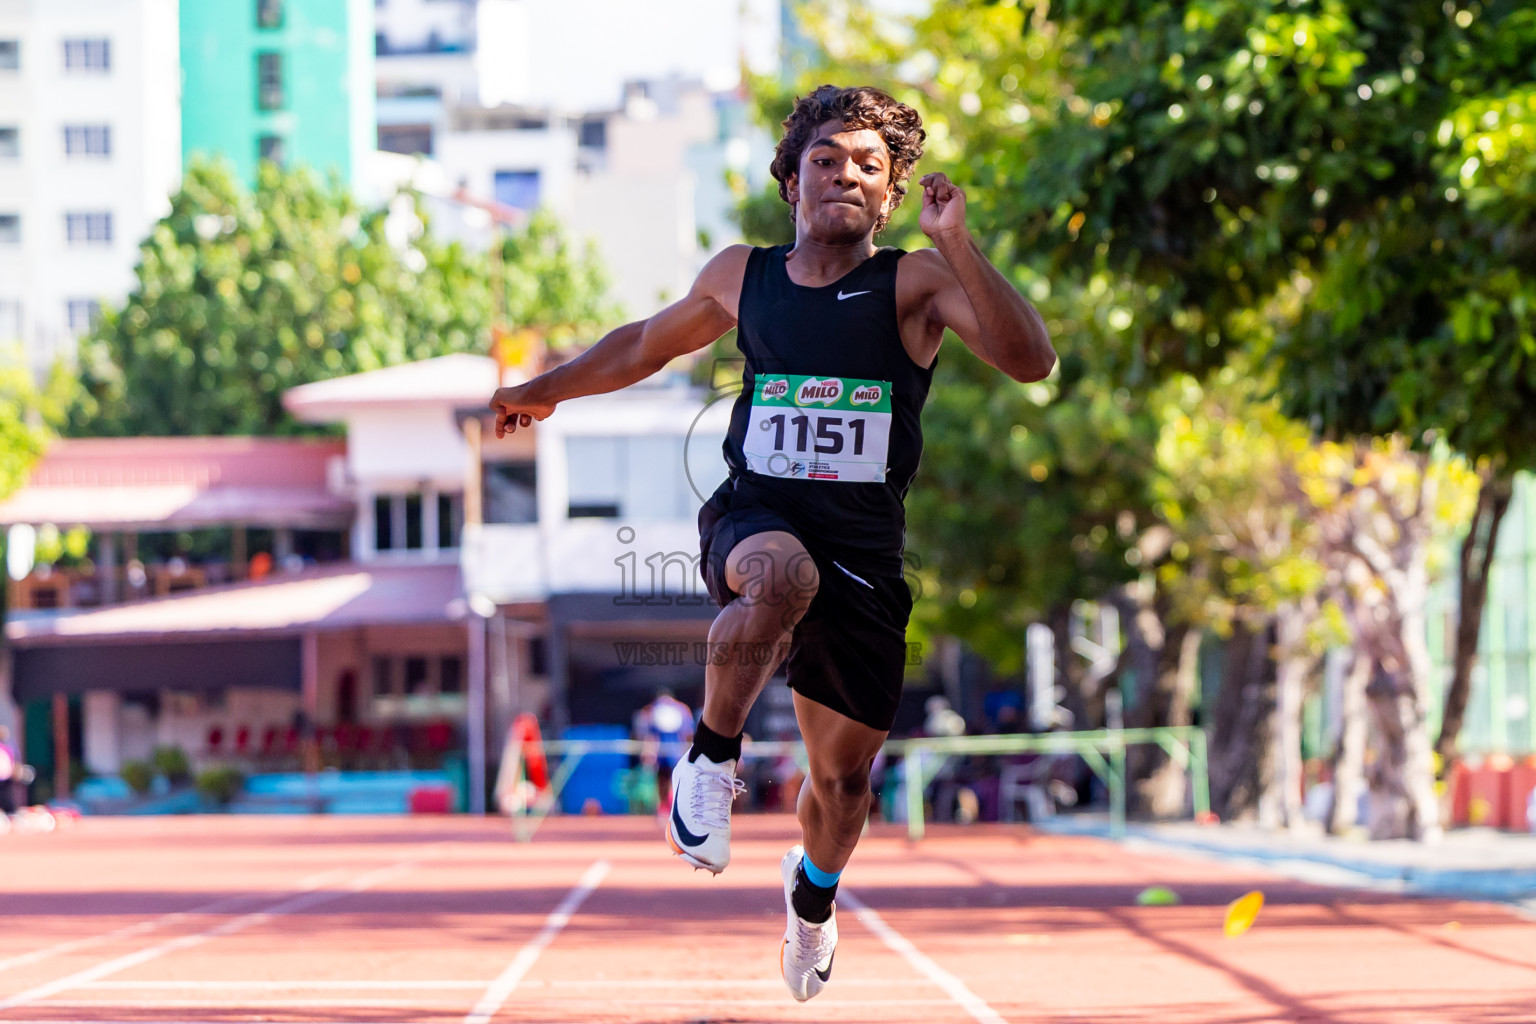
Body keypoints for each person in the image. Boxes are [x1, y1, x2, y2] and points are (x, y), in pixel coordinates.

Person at [490, 84, 1054, 1002]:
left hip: (864, 554)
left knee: (843, 785)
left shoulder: (913, 284)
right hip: (755, 514)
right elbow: (644, 345)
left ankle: (813, 896)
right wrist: (541, 390)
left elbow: (1031, 360)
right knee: (780, 578)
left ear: (892, 192)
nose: (846, 177)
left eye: (869, 166)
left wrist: (957, 243)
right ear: (793, 181)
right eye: (827, 161)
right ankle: (711, 760)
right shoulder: (741, 276)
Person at [633, 689, 695, 812]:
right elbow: (648, 734)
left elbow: (687, 733)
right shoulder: (651, 710)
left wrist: (688, 751)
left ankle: (674, 805)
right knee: (662, 778)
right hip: (662, 752)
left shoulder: (682, 710)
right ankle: (664, 806)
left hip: (675, 751)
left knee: (675, 777)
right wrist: (649, 751)